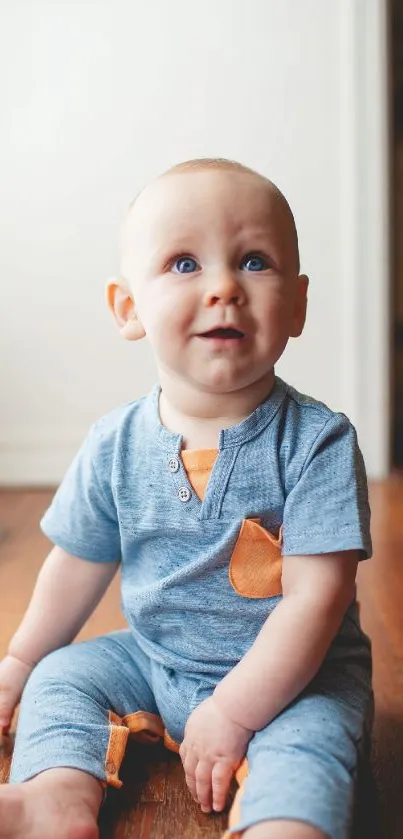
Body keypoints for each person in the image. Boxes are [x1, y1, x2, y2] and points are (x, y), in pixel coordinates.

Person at [0, 158, 373, 839]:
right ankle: (54, 792)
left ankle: (284, 823)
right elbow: (75, 563)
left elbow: (315, 600)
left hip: (295, 680)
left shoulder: (317, 442)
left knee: (309, 745)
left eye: (254, 261)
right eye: (182, 264)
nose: (224, 287)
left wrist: (233, 709)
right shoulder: (114, 442)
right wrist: (20, 663)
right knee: (63, 677)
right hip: (153, 657)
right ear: (128, 308)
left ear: (297, 304)